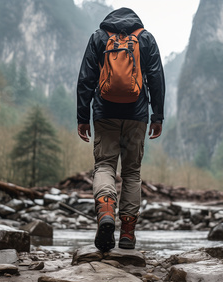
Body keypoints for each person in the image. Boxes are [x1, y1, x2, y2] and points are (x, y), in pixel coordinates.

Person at [76, 7, 165, 252]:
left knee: (104, 165)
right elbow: (156, 77)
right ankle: (127, 233)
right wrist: (157, 116)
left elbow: (86, 78)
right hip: (137, 114)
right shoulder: (145, 38)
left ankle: (105, 211)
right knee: (132, 173)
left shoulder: (99, 37)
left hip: (105, 113)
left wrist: (82, 117)